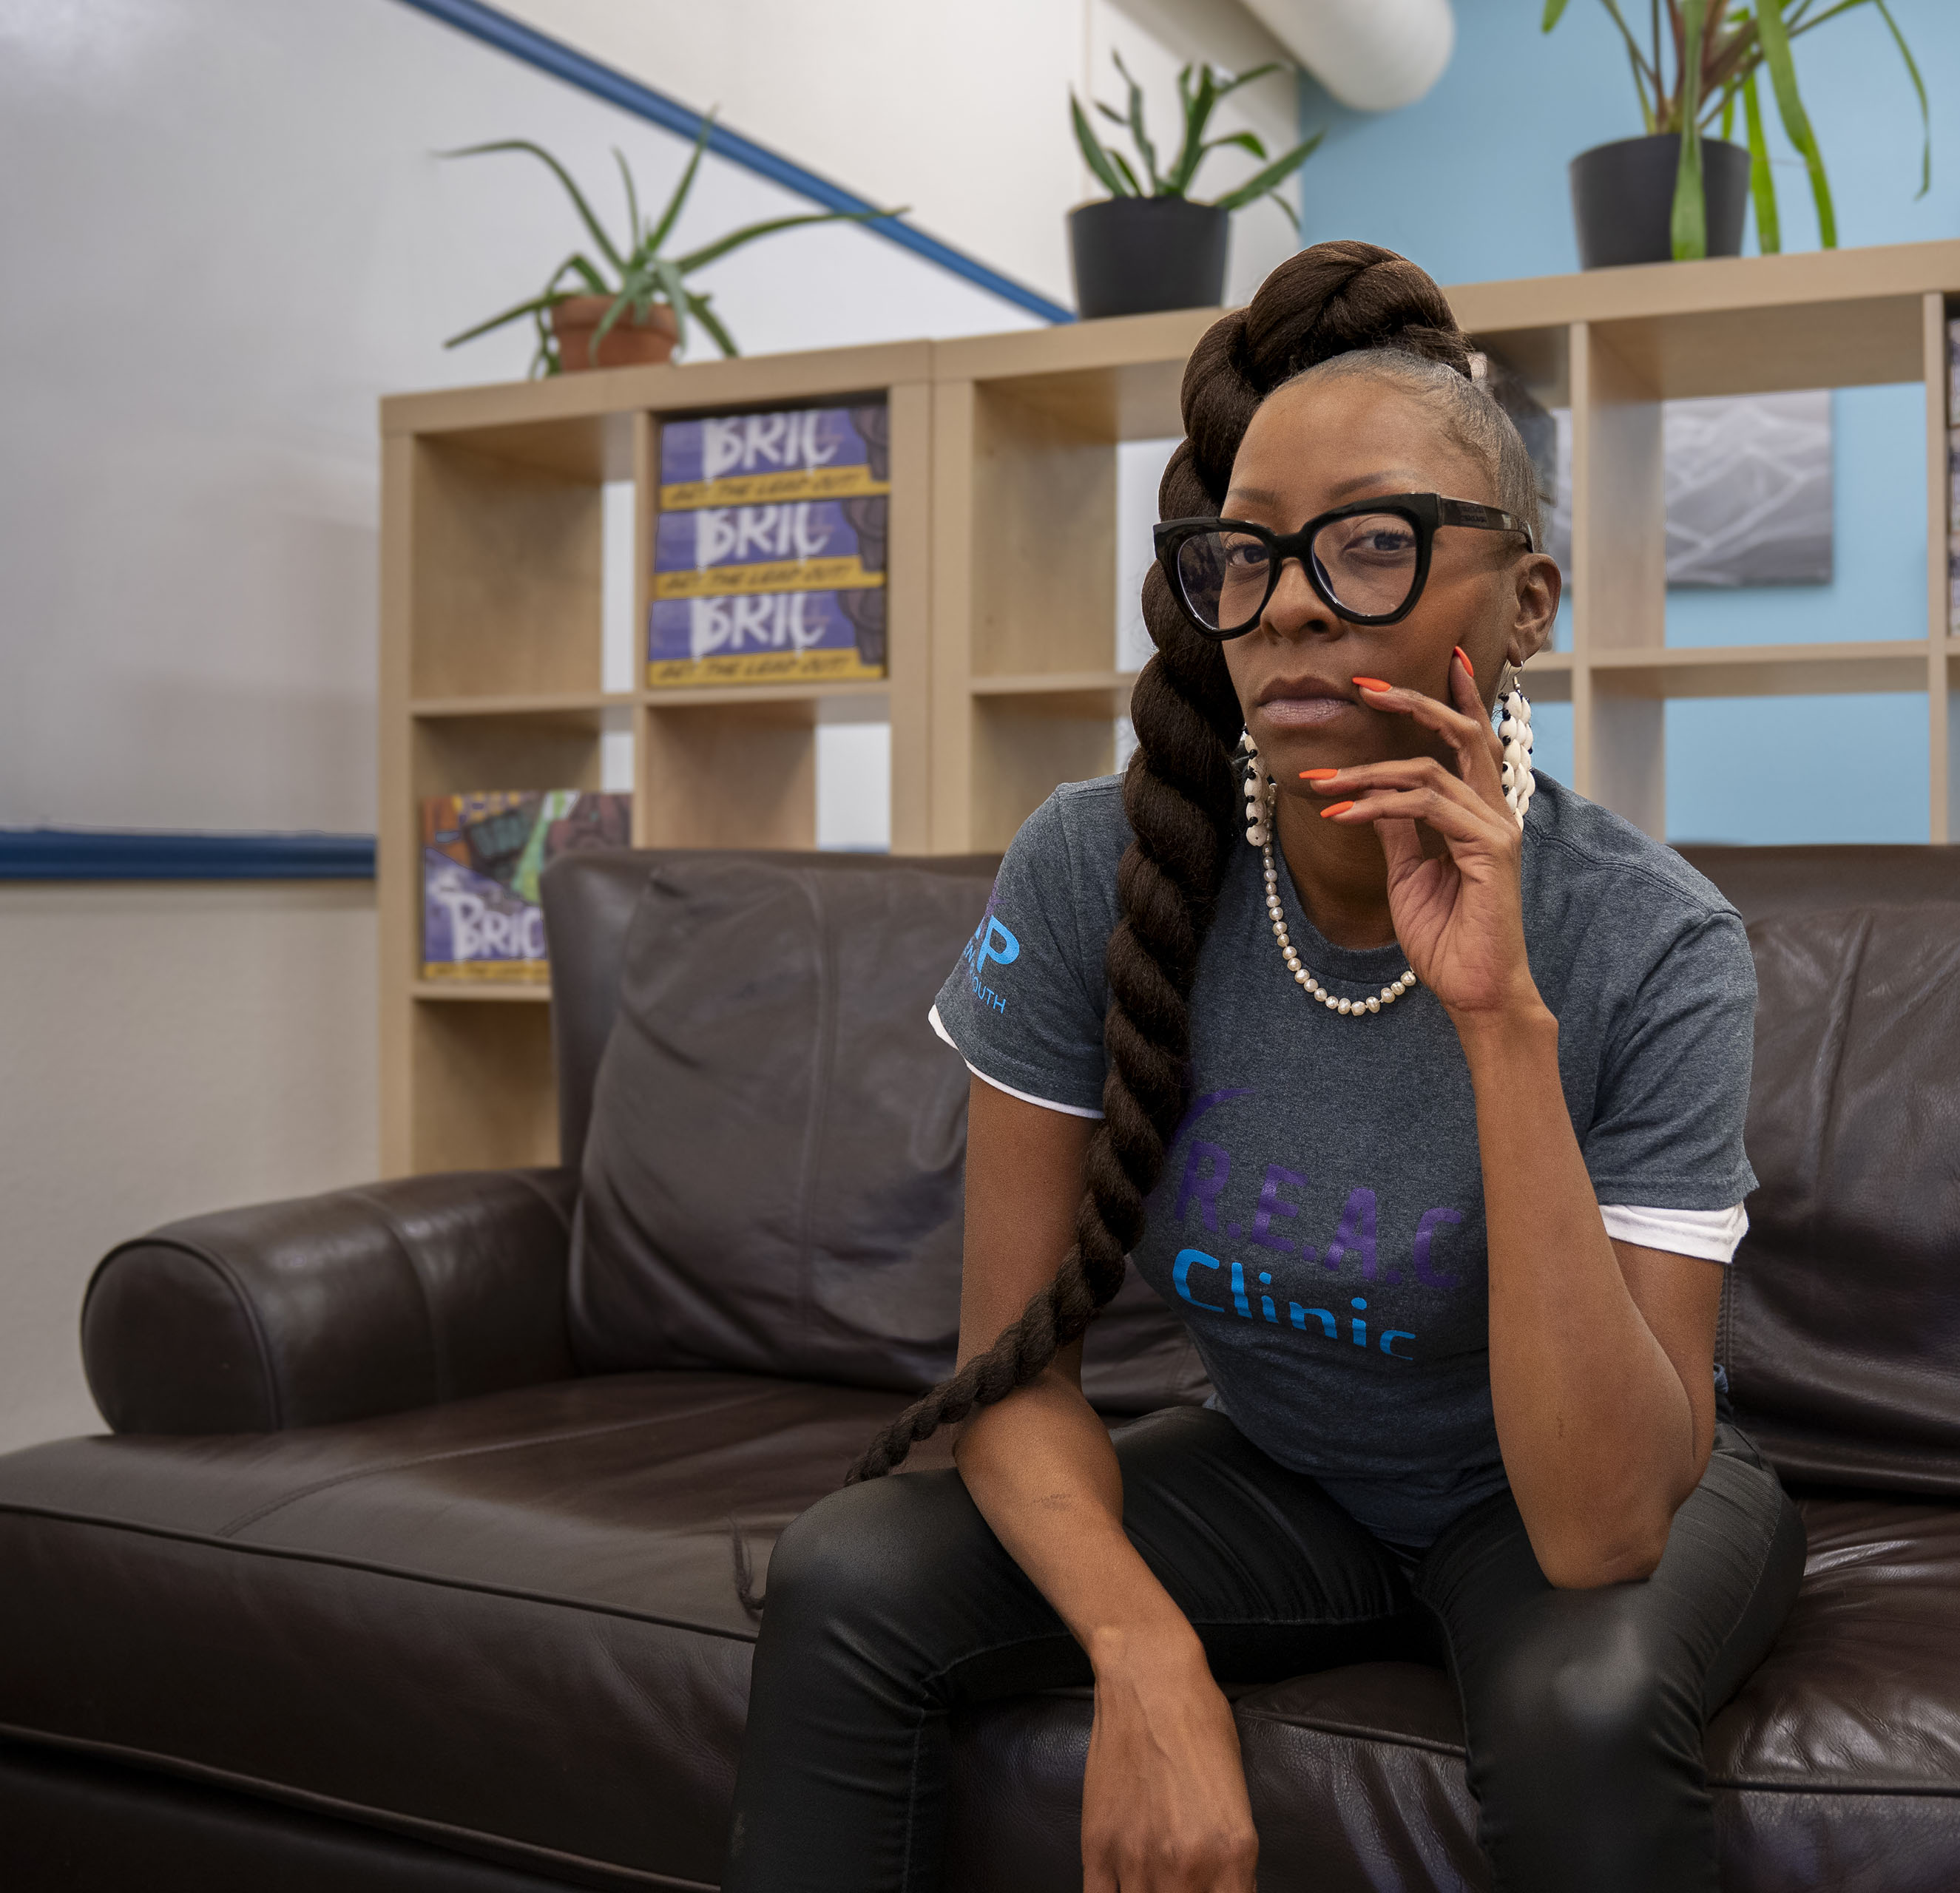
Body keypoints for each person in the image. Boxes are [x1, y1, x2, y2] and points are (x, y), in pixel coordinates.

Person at [723, 241, 1802, 1893]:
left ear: (1526, 603)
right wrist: (1144, 1655)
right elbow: (1009, 1369)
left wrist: (1502, 1023)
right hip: (1287, 1469)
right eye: (1246, 554)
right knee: (851, 1568)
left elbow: (1600, 1528)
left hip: (1572, 1488)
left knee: (1583, 1698)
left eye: (1373, 543)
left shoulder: (1656, 942)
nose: (1291, 596)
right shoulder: (1096, 869)